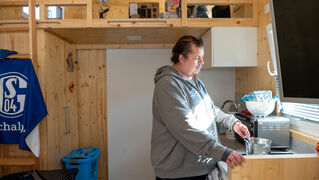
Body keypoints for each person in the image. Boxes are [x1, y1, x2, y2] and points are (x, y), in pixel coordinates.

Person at [151, 35, 250, 180]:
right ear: (181, 58)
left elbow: (212, 109)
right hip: (178, 173)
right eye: (197, 58)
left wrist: (233, 123)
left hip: (198, 167)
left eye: (202, 57)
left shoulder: (196, 82)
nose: (202, 62)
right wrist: (221, 152)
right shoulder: (167, 85)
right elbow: (185, 127)